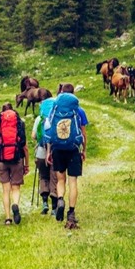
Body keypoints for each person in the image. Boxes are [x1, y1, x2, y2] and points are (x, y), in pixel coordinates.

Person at [46, 83, 88, 229]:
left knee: (60, 180)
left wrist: (49, 151)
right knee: (73, 181)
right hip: (73, 148)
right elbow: (83, 133)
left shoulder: (55, 108)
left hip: (57, 149)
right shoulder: (79, 110)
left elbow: (49, 129)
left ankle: (60, 199)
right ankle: (71, 213)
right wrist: (84, 150)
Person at [0, 102, 29, 225]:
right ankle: (15, 204)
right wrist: (26, 164)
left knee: (5, 190)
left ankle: (7, 218)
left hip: (1, 160)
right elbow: (25, 147)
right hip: (17, 159)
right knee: (15, 188)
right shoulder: (19, 123)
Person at [31, 96, 58, 215]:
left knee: (43, 176)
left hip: (41, 152)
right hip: (55, 152)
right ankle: (54, 207)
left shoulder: (39, 118)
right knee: (54, 178)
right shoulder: (56, 118)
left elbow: (33, 136)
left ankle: (45, 203)